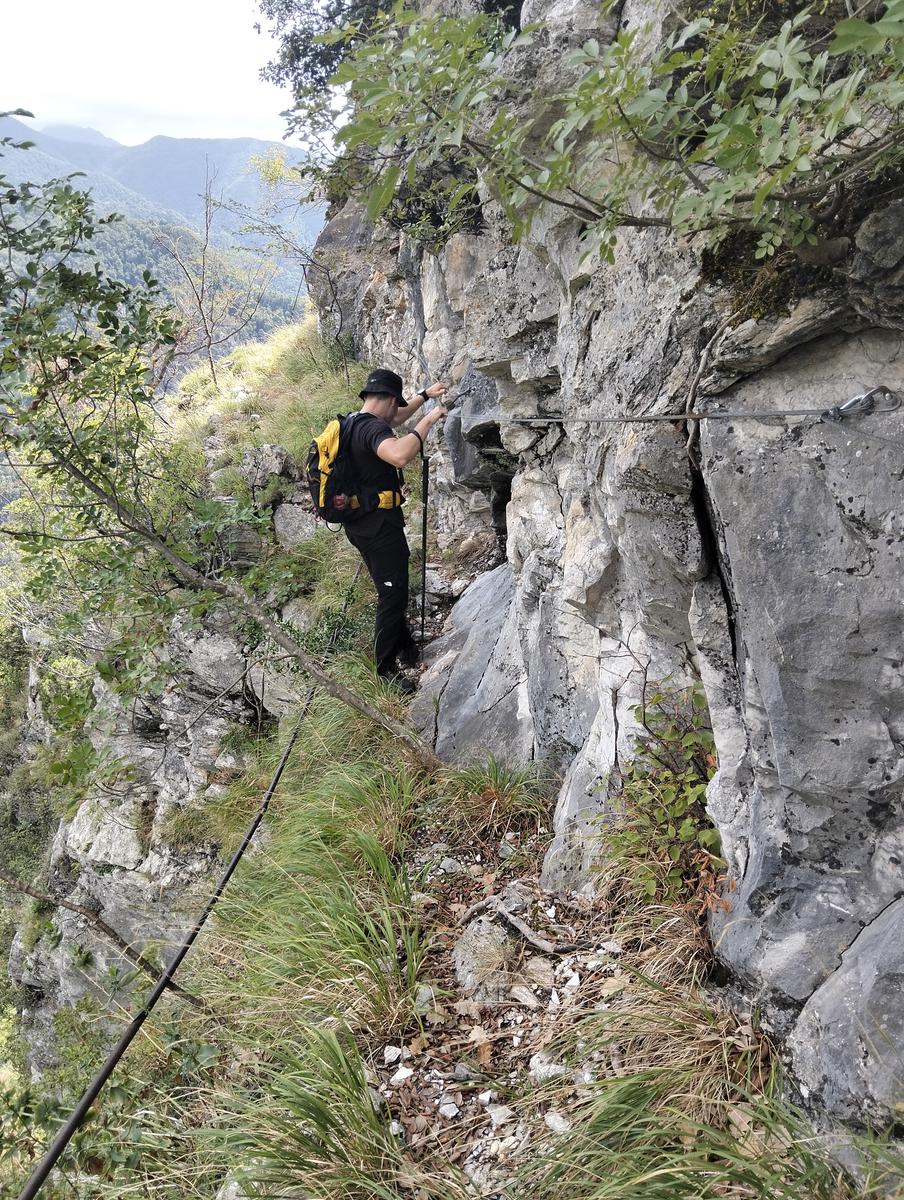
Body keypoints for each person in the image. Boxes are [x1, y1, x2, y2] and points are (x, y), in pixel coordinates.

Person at [344, 368, 448, 692]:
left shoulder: (352, 422)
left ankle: (404, 646)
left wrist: (425, 396)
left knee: (390, 586)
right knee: (393, 593)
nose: (397, 412)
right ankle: (385, 669)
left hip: (360, 523)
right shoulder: (371, 430)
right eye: (395, 405)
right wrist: (429, 421)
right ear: (388, 399)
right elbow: (400, 455)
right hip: (378, 527)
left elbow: (398, 416)